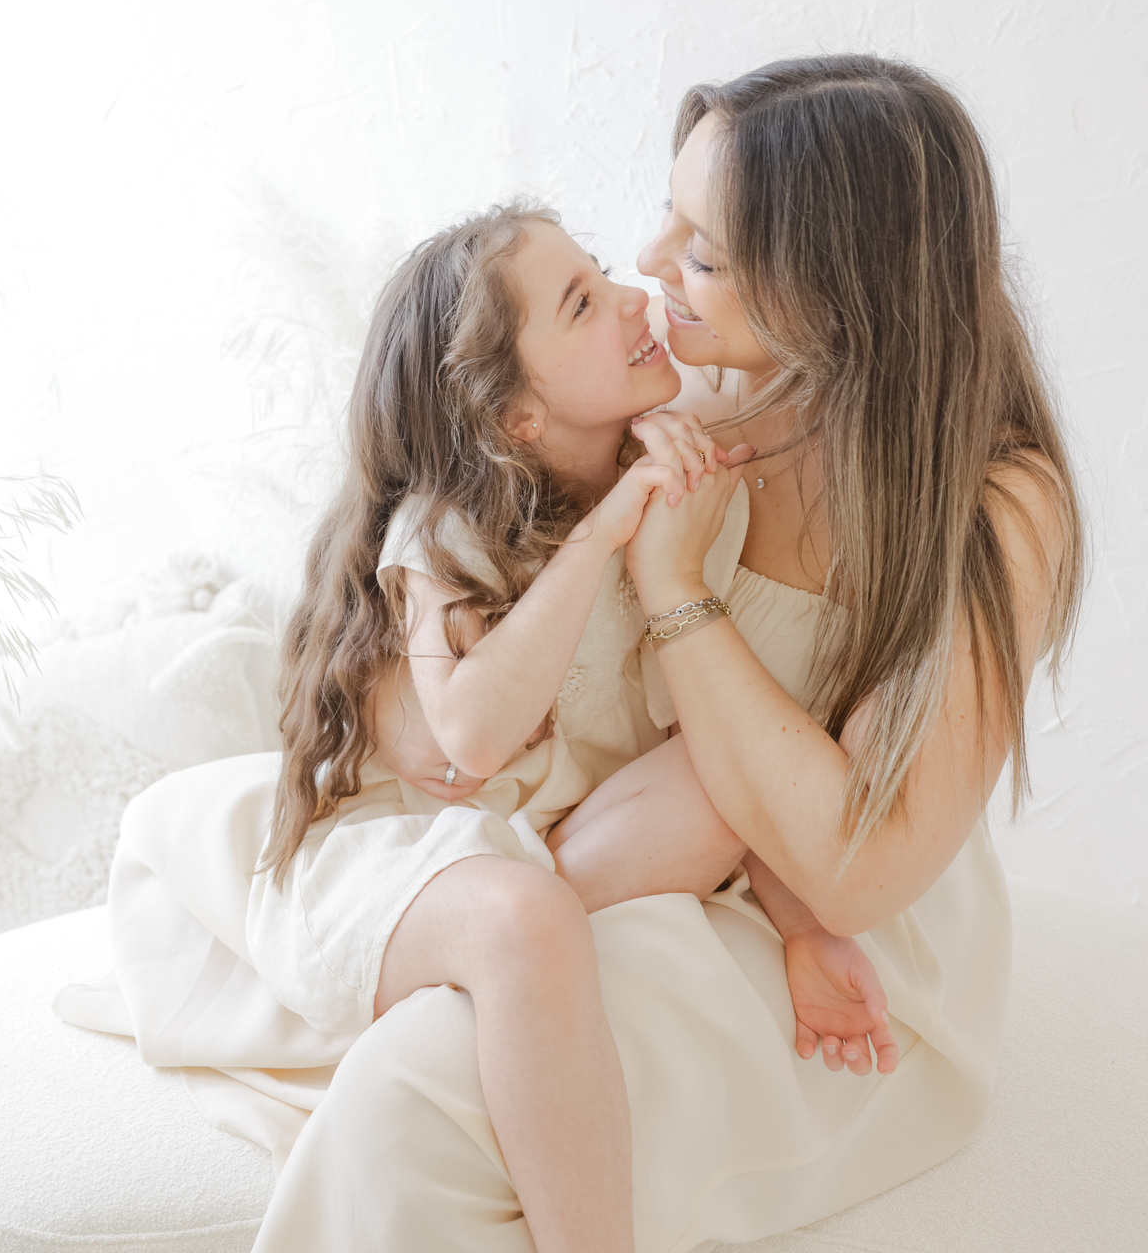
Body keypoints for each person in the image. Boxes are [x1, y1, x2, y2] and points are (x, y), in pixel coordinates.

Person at [253, 54, 1084, 1251]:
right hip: (639, 862)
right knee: (425, 1068)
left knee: (416, 1096)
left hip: (835, 928)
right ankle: (499, 938)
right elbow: (482, 647)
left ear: (832, 285)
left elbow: (855, 867)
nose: (647, 264)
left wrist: (677, 585)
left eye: (699, 249)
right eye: (665, 218)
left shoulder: (995, 506)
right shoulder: (698, 418)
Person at [71, 199, 894, 1253]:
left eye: (603, 274)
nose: (638, 297)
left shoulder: (677, 482)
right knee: (519, 918)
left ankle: (527, 983)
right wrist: (609, 535)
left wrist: (808, 927)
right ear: (517, 418)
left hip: (538, 844)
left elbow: (725, 744)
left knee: (735, 750)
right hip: (401, 855)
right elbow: (471, 736)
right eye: (584, 302)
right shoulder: (450, 525)